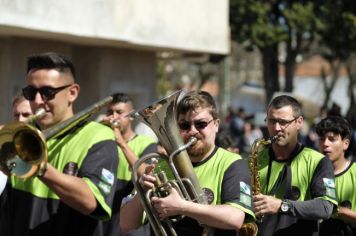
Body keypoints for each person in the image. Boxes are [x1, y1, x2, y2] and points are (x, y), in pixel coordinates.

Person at [0, 52, 119, 236]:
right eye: (31, 92)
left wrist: (37, 164)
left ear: (72, 93)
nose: (38, 101)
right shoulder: (20, 133)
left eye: (47, 93)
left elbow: (91, 202)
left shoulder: (98, 136)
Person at [120, 90, 255, 236]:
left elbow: (235, 218)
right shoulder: (162, 166)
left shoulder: (231, 163)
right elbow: (126, 224)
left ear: (216, 125)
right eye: (184, 126)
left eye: (201, 124)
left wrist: (182, 207)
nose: (192, 131)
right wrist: (142, 192)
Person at [253, 95, 338, 236]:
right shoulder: (254, 160)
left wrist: (282, 206)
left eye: (283, 122)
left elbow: (326, 207)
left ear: (299, 122)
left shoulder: (319, 161)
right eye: (271, 121)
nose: (276, 128)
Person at [101, 92, 157, 236]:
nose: (113, 117)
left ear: (131, 115)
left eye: (119, 112)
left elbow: (145, 172)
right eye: (110, 112)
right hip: (102, 221)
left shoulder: (146, 143)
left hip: (128, 220)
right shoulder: (102, 142)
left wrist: (121, 142)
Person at [316, 116, 356, 235]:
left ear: (346, 143)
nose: (325, 144)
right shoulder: (312, 173)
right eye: (322, 139)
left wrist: (340, 211)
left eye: (332, 139)